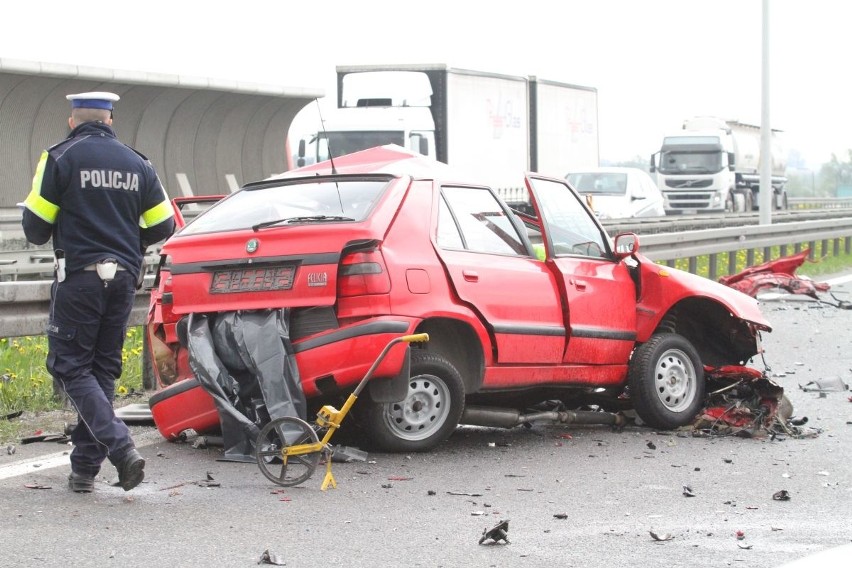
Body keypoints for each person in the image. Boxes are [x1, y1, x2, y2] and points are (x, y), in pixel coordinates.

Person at [21, 91, 176, 493]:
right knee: (102, 370)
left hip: (80, 278)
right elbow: (164, 225)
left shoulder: (58, 158)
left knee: (70, 366)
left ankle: (121, 447)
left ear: (73, 121)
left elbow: (35, 229)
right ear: (111, 121)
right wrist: (129, 240)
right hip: (124, 278)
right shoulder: (138, 163)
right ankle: (84, 471)